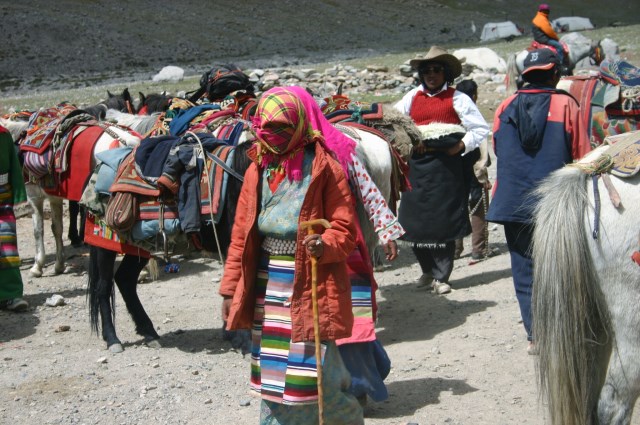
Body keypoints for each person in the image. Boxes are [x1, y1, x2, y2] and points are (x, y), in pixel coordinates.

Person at [219, 87, 364, 424]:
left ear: (298, 125)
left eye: (280, 129)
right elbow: (241, 235)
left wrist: (324, 245)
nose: (271, 137)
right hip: (266, 284)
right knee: (272, 377)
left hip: (310, 280)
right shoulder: (258, 167)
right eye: (265, 129)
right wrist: (229, 289)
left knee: (312, 374)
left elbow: (345, 228)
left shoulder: (325, 167)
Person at [288, 85, 403, 406]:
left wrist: (385, 229)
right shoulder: (274, 155)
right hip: (299, 255)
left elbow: (368, 191)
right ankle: (328, 390)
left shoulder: (339, 147)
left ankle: (360, 390)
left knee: (352, 324)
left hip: (343, 249)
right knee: (313, 326)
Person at [486, 49, 591, 353]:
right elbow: (583, 157)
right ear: (556, 74)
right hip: (557, 203)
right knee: (564, 268)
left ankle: (536, 336)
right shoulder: (566, 105)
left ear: (525, 76)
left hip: (513, 202)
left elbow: (499, 152)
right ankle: (568, 332)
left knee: (524, 270)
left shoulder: (504, 106)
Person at [394, 46, 490, 295]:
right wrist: (411, 142)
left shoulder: (458, 98)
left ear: (446, 73)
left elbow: (480, 128)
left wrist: (460, 145)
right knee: (413, 221)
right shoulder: (411, 97)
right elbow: (394, 122)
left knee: (443, 220)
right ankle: (427, 270)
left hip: (446, 168)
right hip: (417, 167)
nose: (431, 74)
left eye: (437, 70)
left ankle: (441, 276)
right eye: (427, 70)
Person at [453, 79, 495, 264]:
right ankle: (479, 248)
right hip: (474, 169)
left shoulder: (453, 116)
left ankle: (455, 248)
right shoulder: (474, 115)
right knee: (478, 206)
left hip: (454, 170)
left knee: (456, 205)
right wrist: (484, 172)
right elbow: (483, 148)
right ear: (475, 95)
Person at [0, 125, 30, 312]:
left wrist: (18, 195)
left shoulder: (3, 135)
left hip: (2, 200)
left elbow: (13, 167)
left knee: (7, 248)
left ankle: (10, 294)